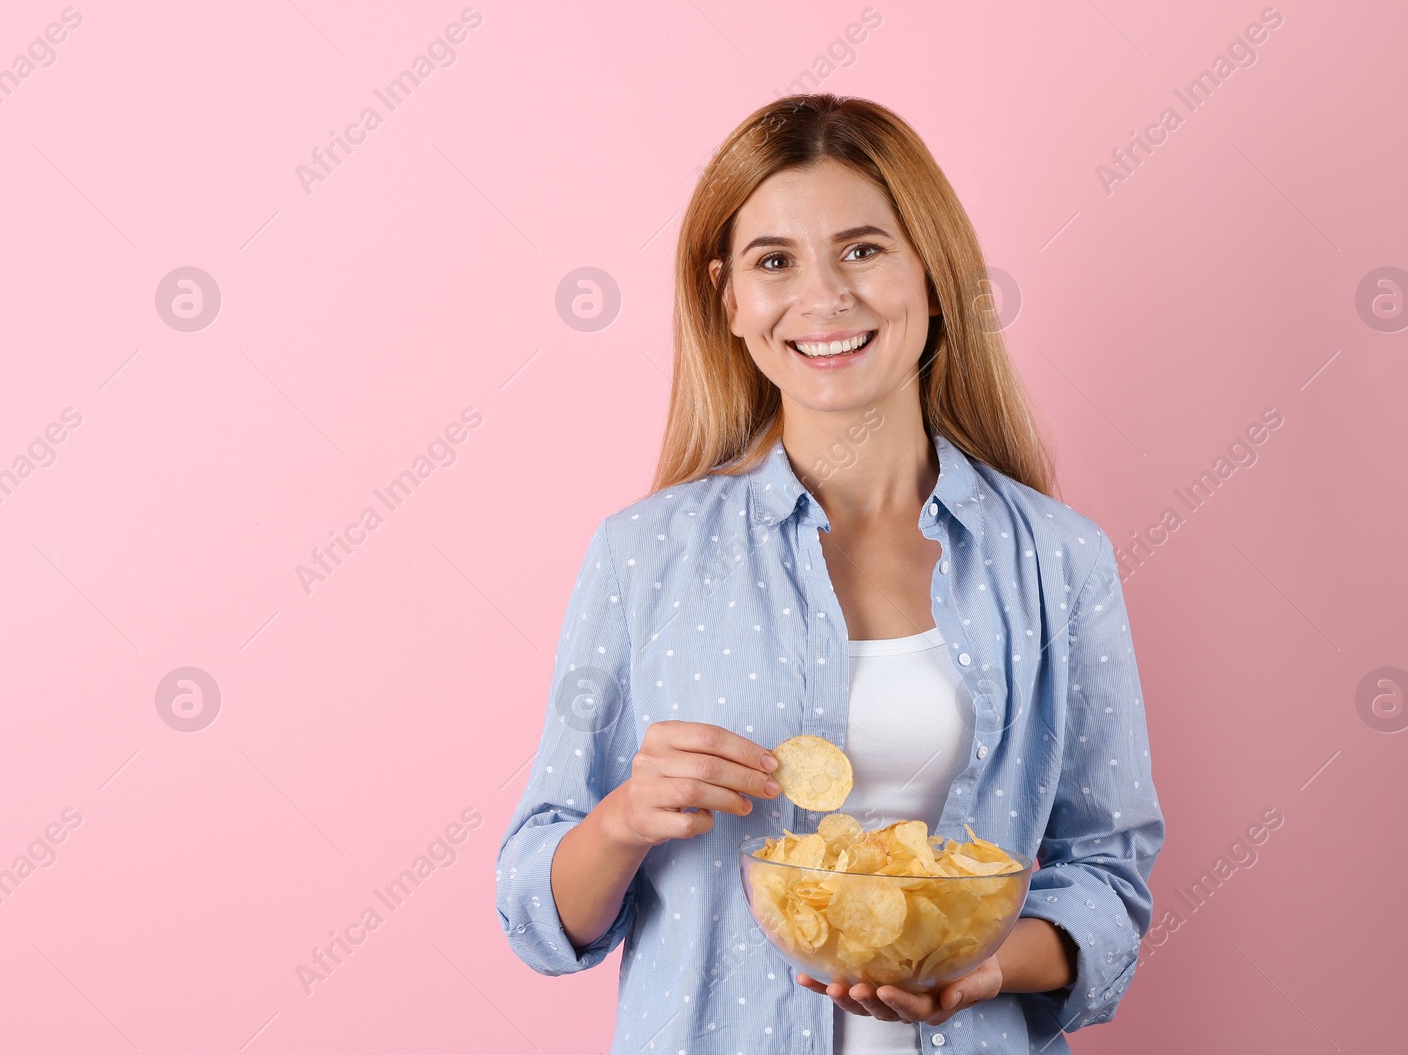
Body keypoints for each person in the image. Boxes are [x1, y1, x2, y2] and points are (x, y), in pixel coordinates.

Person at [496, 93, 1165, 1054]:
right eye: (776, 262)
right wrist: (625, 819)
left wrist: (983, 970)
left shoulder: (1060, 561)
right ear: (730, 300)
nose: (825, 298)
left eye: (862, 250)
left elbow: (1108, 876)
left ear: (931, 276)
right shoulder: (642, 555)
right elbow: (537, 912)